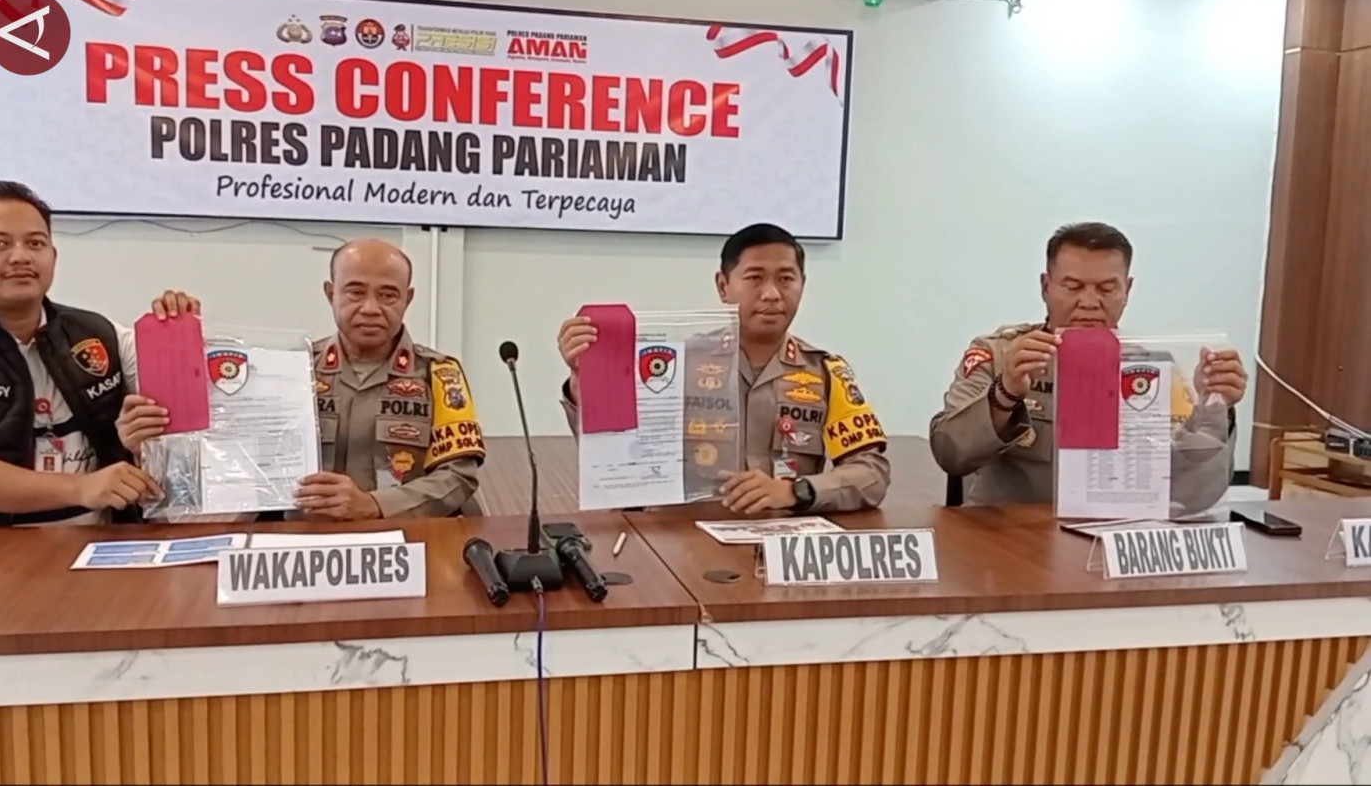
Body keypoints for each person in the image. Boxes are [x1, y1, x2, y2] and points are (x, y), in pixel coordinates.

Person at [0, 180, 199, 529]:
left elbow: (189, 415)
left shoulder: (99, 333)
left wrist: (179, 338)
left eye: (35, 243)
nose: (21, 256)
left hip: (99, 537)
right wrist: (82, 487)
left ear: (53, 256)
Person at [121, 238, 485, 519]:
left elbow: (458, 476)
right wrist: (178, 344)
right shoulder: (287, 369)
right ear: (331, 293)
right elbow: (225, 456)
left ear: (408, 299)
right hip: (296, 546)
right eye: (355, 292)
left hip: (401, 542)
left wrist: (375, 505)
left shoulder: (439, 375)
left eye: (388, 295)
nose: (371, 308)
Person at [555, 223, 891, 514]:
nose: (772, 294)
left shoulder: (826, 373)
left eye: (786, 279)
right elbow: (614, 453)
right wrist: (587, 379)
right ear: (723, 286)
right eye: (755, 278)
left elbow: (871, 473)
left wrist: (795, 491)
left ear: (803, 284)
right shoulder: (674, 365)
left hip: (783, 542)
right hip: (683, 540)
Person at [928, 222, 1249, 518]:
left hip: (1110, 540)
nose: (1090, 302)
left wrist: (1214, 407)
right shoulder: (1000, 355)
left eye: (1107, 288)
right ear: (1046, 286)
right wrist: (1006, 392)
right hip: (1011, 540)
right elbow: (950, 453)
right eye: (1073, 286)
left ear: (1127, 290)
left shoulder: (1151, 370)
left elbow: (1192, 495)